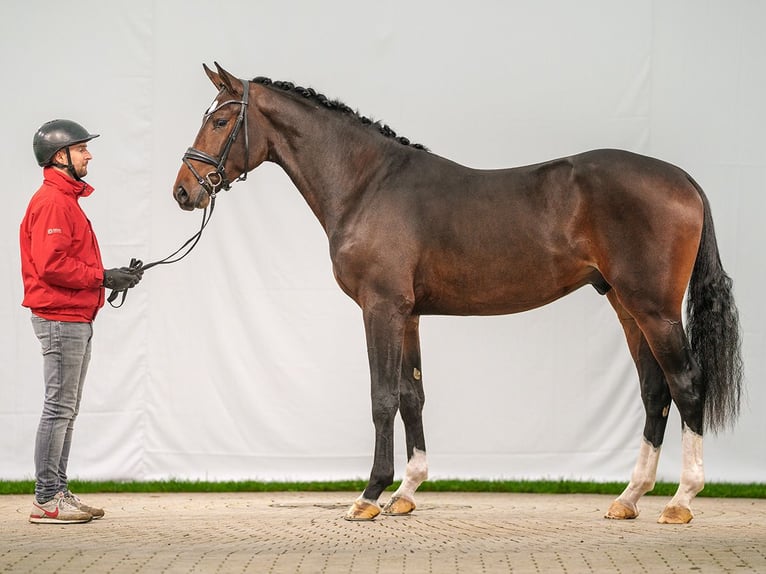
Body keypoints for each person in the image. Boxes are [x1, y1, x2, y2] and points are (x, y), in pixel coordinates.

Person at [20, 119, 144, 524]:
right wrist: (103, 277)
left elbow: (68, 261)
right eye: (82, 148)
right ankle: (45, 499)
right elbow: (51, 265)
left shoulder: (66, 200)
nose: (89, 154)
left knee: (66, 410)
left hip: (74, 316)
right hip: (60, 319)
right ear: (61, 156)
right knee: (58, 409)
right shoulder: (54, 202)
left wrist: (109, 275)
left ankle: (56, 491)